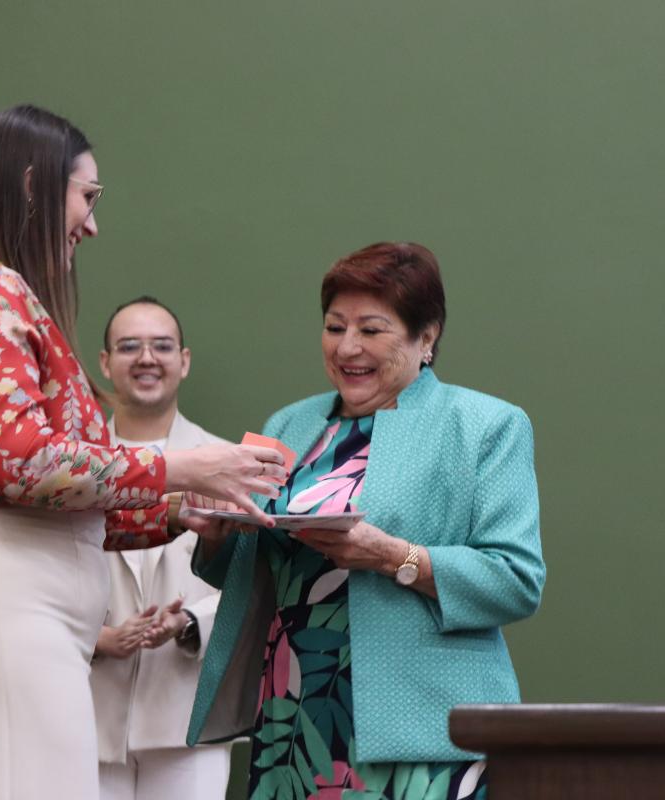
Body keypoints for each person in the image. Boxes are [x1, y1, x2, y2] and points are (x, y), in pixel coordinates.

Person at [0, 104, 285, 800]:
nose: (92, 223)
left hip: (20, 607)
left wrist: (177, 512)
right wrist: (180, 467)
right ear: (33, 187)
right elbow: (23, 463)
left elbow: (58, 495)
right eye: (89, 196)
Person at [184, 242, 546, 799]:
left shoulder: (486, 426)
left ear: (426, 338)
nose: (347, 346)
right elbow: (262, 570)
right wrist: (217, 540)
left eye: (371, 330)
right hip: (295, 715)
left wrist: (392, 557)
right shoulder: (291, 423)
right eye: (335, 327)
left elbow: (515, 580)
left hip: (422, 724)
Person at [90, 296, 234, 800]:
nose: (147, 359)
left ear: (184, 361)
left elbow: (252, 581)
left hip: (187, 712)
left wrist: (190, 622)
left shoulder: (225, 463)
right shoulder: (70, 467)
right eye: (130, 346)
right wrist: (96, 637)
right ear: (105, 362)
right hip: (86, 711)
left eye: (162, 346)